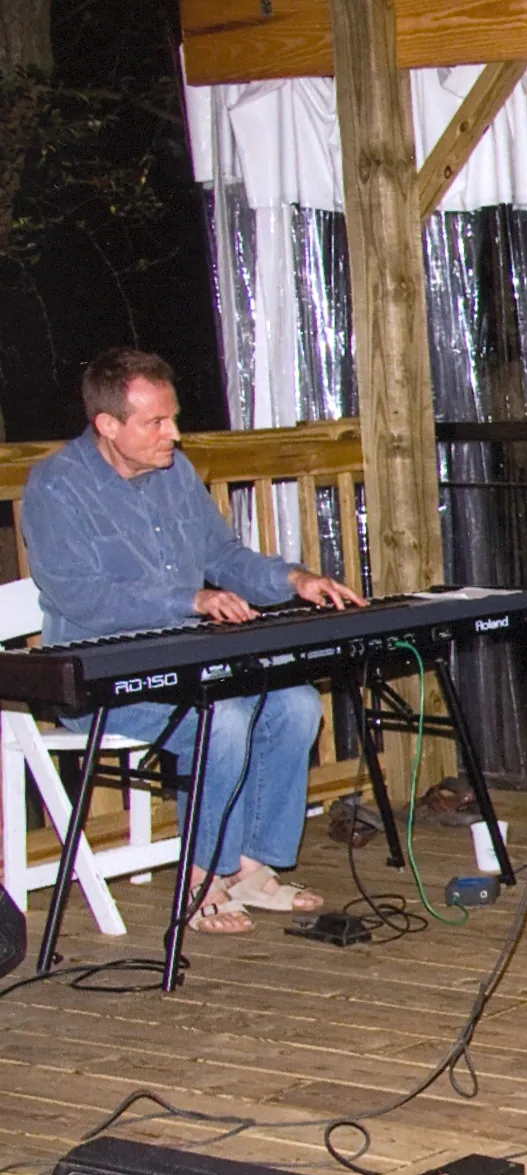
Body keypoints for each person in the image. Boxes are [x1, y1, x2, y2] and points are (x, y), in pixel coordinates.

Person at [21, 348, 364, 935]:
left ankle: (251, 870)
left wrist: (295, 579)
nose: (173, 434)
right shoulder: (57, 487)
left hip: (187, 661)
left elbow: (223, 557)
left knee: (296, 703)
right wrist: (190, 600)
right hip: (97, 679)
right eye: (156, 422)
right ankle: (201, 879)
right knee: (223, 719)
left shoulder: (174, 473)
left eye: (172, 418)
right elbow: (82, 597)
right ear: (107, 426)